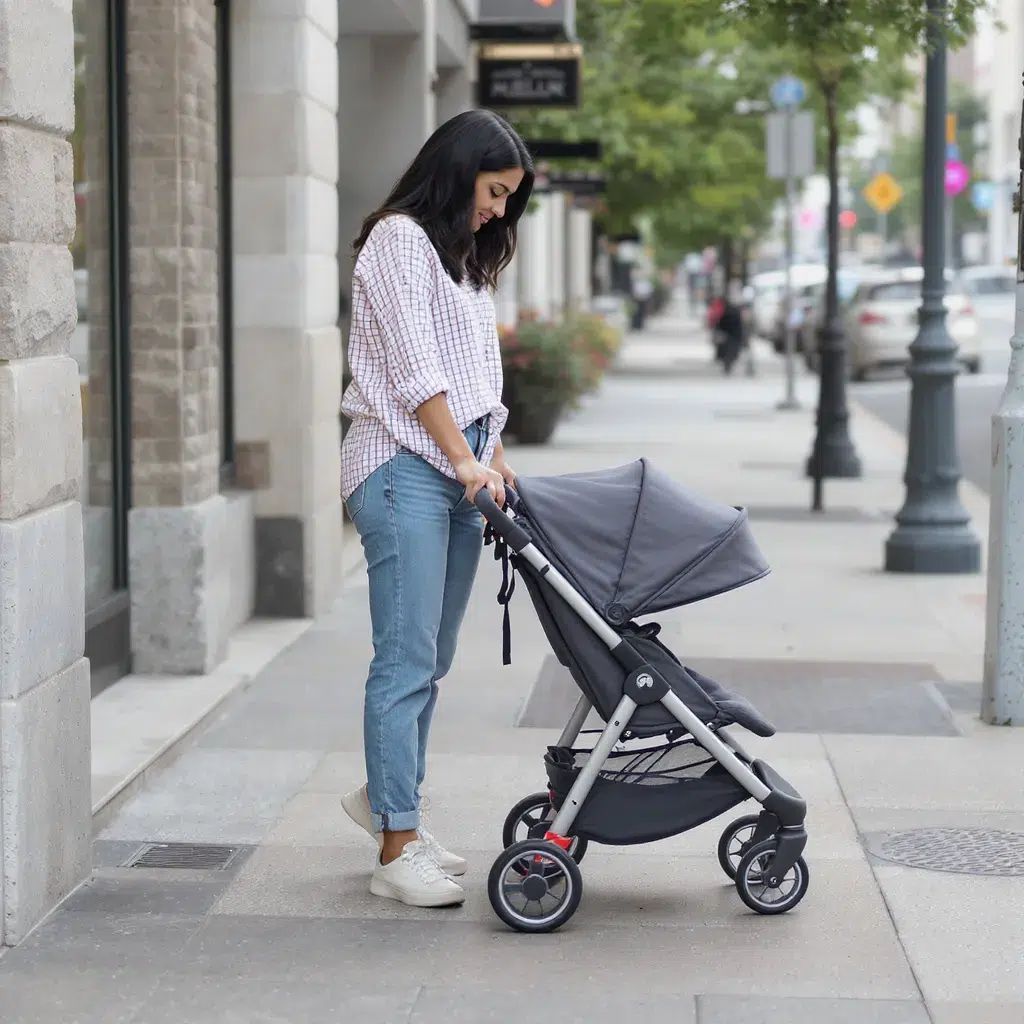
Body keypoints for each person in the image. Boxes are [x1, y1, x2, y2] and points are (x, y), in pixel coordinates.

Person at [338, 110, 534, 908]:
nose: (497, 211)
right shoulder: (397, 242)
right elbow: (418, 369)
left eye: (509, 201)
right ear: (458, 171)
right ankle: (394, 846)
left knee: (433, 660)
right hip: (399, 470)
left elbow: (478, 369)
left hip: (457, 475)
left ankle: (394, 809)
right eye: (493, 192)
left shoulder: (462, 260)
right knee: (405, 661)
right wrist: (459, 454)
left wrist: (489, 454)